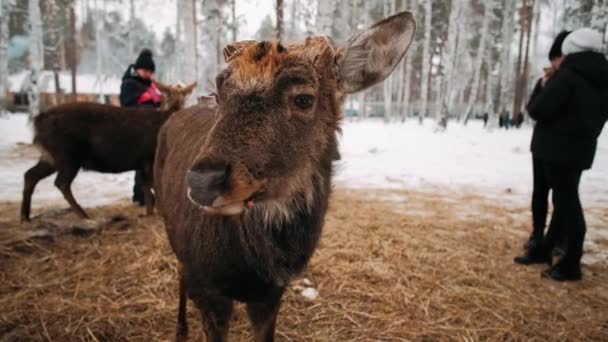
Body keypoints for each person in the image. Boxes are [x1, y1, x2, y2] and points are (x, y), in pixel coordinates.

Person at [515, 28, 608, 281]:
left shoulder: (568, 76)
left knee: (568, 206)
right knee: (565, 202)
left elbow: (538, 109)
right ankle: (547, 249)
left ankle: (570, 263)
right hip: (580, 150)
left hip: (555, 150)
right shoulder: (601, 76)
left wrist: (544, 88)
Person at [119, 49, 162, 206]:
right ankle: (140, 195)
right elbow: (127, 105)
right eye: (145, 70)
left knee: (147, 163)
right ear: (137, 69)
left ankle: (142, 195)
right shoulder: (130, 84)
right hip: (136, 129)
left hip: (150, 130)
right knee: (142, 162)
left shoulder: (150, 86)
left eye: (150, 72)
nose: (148, 74)